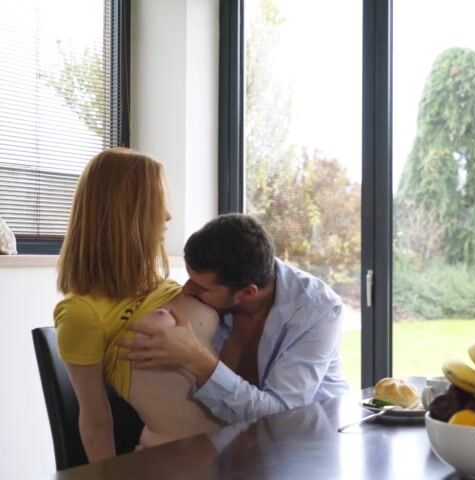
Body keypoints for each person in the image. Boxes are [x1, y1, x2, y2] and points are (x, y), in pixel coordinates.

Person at [54, 148, 222, 463]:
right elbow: (95, 421)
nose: (168, 215)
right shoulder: (81, 314)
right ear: (126, 213)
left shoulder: (163, 284)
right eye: (156, 202)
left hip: (242, 451)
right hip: (179, 463)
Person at [120, 214, 350, 424]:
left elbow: (280, 416)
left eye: (201, 288)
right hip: (237, 436)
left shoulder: (316, 311)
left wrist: (196, 359)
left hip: (311, 435)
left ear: (247, 293)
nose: (186, 290)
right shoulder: (210, 303)